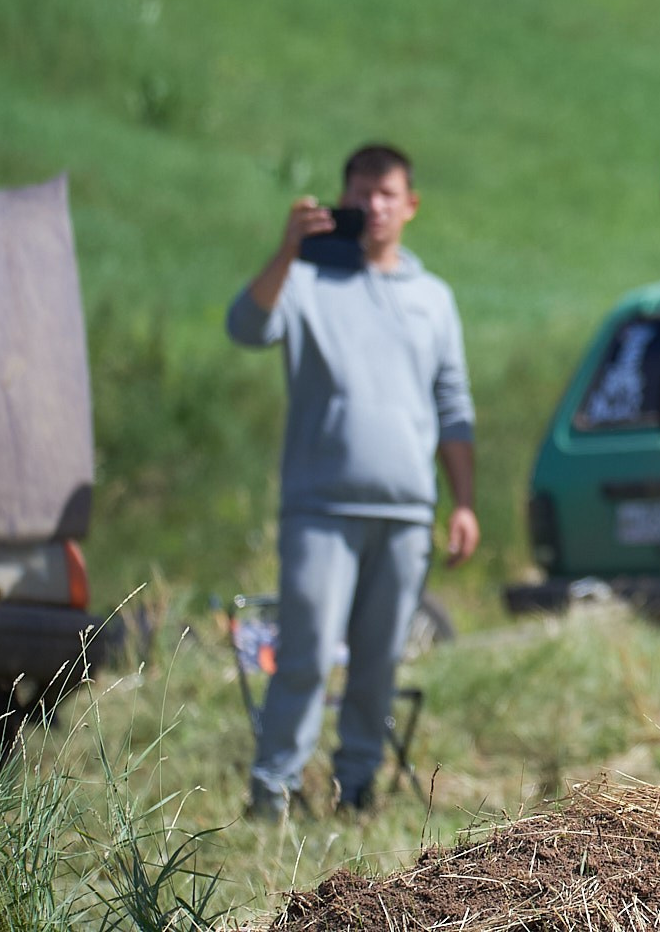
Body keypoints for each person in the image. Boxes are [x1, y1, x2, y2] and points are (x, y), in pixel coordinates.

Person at [228, 143, 478, 819]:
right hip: (321, 506)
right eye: (361, 193)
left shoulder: (433, 298)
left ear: (410, 205)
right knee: (304, 654)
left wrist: (463, 504)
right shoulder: (306, 279)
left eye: (387, 194)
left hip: (405, 514)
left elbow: (454, 407)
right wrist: (286, 250)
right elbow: (244, 327)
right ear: (343, 199)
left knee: (378, 662)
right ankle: (272, 790)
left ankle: (356, 787)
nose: (373, 206)